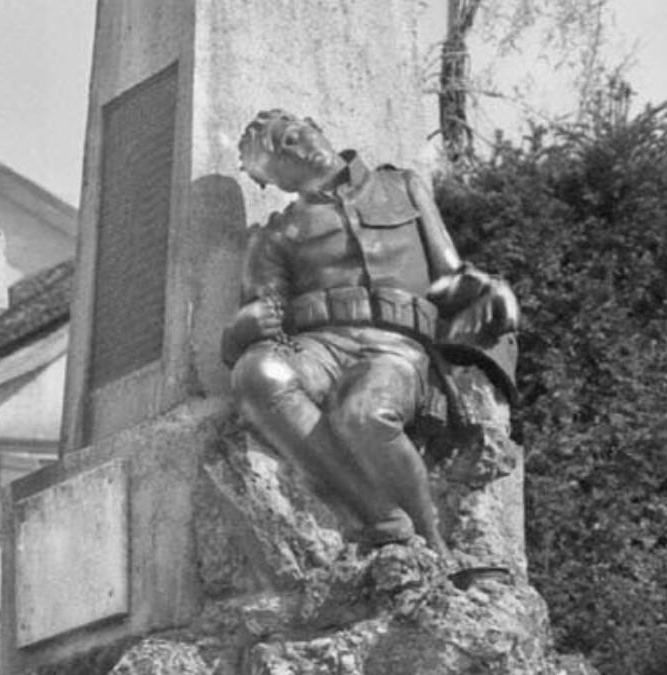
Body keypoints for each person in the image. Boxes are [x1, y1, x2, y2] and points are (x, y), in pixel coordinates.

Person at [222, 107, 519, 554]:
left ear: (316, 127)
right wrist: (241, 330)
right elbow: (264, 320)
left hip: (396, 348)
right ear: (271, 181)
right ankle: (381, 515)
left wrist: (491, 289)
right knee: (257, 372)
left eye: (295, 133)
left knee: (363, 413)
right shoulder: (275, 236)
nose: (295, 147)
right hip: (318, 346)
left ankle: (432, 541)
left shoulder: (402, 185)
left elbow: (448, 276)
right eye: (277, 153)